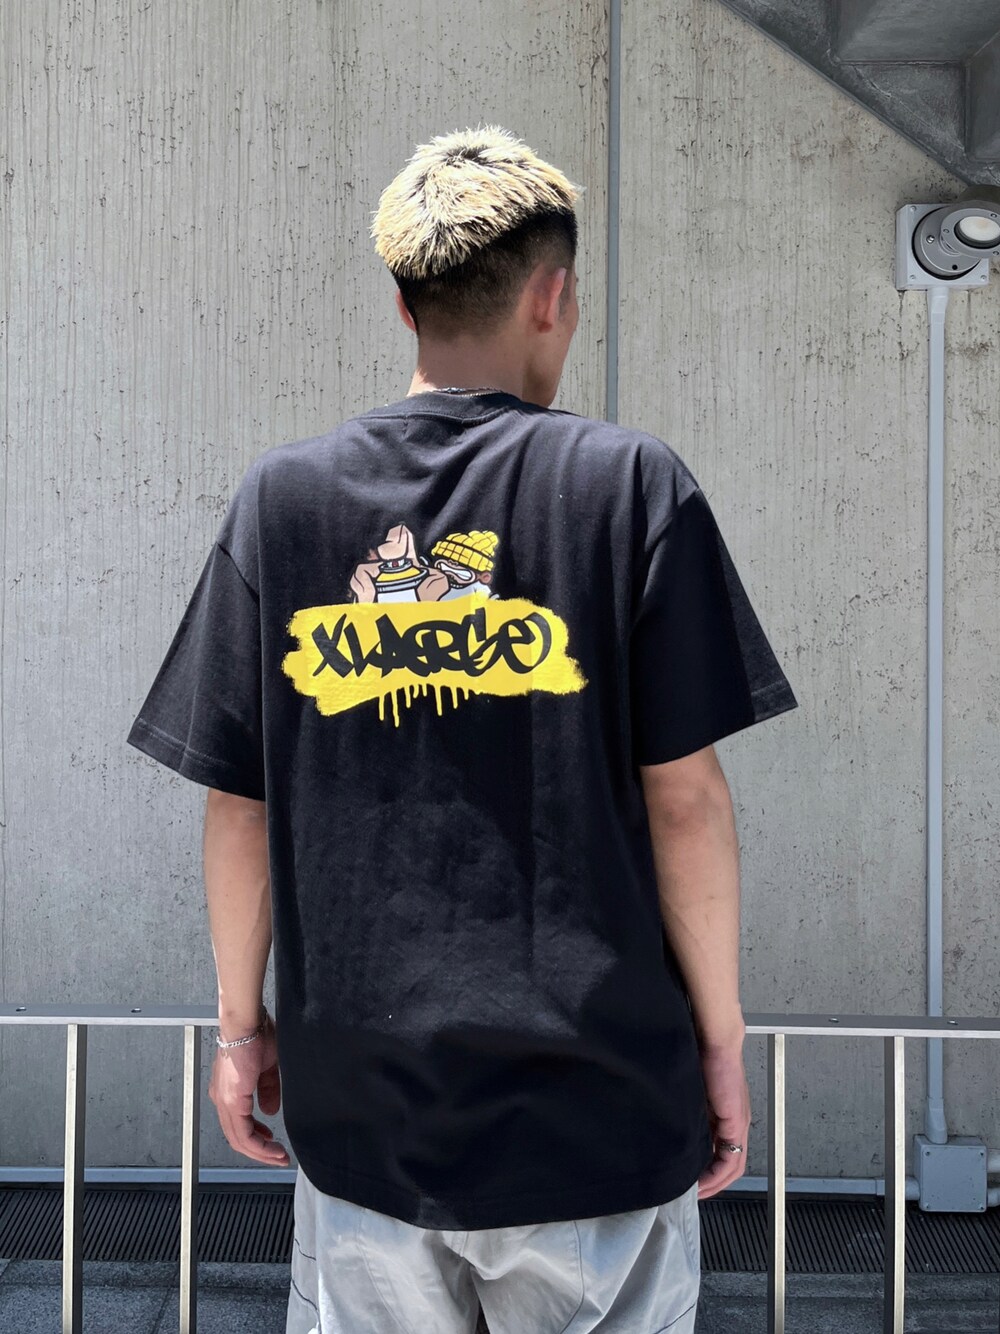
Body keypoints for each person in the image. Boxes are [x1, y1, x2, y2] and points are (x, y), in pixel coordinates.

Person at [128, 126, 798, 1334]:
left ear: (404, 304)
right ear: (553, 296)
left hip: (367, 1119)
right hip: (601, 1108)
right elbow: (685, 800)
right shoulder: (631, 487)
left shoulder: (283, 499)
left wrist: (238, 1031)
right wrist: (719, 1040)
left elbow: (238, 803)